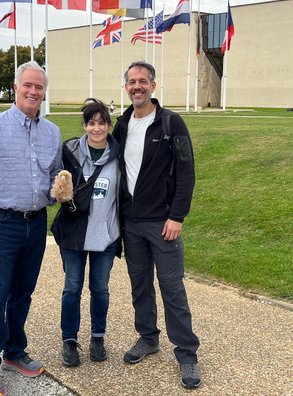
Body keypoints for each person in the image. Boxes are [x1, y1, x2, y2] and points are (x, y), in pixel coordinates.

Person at [0, 61, 63, 396]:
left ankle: (14, 351)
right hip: (0, 223)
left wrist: (61, 188)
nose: (33, 91)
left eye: (39, 87)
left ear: (44, 91)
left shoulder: (51, 131)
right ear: (16, 87)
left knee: (23, 293)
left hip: (35, 223)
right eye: (28, 85)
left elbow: (55, 174)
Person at [112, 61, 202, 389]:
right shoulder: (122, 124)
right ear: (126, 87)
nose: (137, 86)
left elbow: (186, 172)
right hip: (131, 223)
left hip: (162, 223)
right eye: (131, 82)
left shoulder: (170, 123)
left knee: (172, 288)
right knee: (140, 285)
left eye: (142, 81)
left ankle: (187, 354)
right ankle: (148, 338)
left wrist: (177, 216)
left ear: (153, 85)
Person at [50, 98, 121, 367]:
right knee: (72, 288)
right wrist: (57, 192)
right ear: (84, 125)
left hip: (106, 234)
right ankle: (69, 340)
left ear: (108, 125)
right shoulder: (69, 152)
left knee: (100, 289)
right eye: (91, 123)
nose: (96, 128)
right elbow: (52, 179)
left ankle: (97, 336)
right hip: (73, 233)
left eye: (101, 123)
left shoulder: (118, 155)